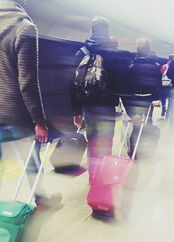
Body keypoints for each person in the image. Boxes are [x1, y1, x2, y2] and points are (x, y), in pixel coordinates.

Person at [0, 0, 61, 205]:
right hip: (18, 113)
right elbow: (27, 81)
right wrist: (39, 121)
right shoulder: (25, 28)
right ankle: (42, 199)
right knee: (31, 159)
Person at [71, 16, 119, 183]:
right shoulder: (114, 53)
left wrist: (76, 111)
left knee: (92, 141)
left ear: (91, 30)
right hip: (107, 106)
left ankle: (93, 176)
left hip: (88, 106)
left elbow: (73, 83)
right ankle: (104, 177)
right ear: (107, 31)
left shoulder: (82, 52)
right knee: (106, 141)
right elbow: (121, 83)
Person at [121, 37, 162, 157]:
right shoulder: (155, 65)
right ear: (149, 49)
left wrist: (128, 107)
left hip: (135, 100)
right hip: (148, 100)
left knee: (136, 125)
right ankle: (147, 149)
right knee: (148, 124)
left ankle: (134, 152)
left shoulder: (131, 64)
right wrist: (157, 98)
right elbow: (157, 84)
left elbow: (126, 86)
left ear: (137, 48)